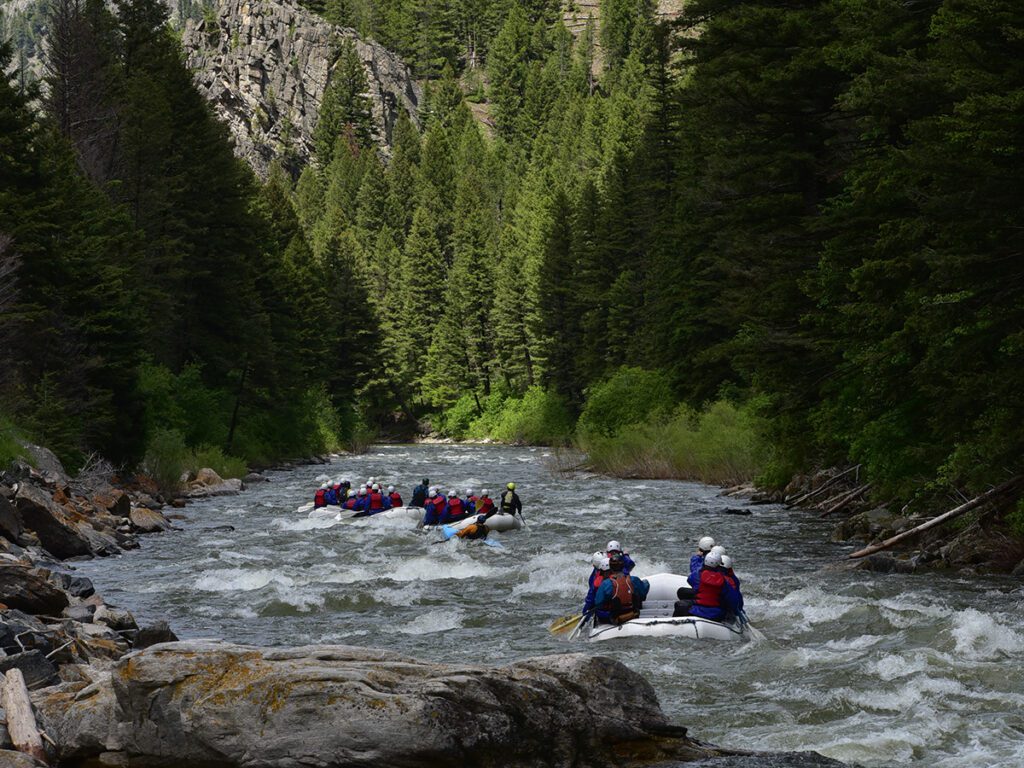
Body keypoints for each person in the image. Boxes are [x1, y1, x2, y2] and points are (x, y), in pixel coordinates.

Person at [593, 553, 649, 625]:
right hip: (633, 613)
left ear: (610, 567)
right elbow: (645, 588)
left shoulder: (605, 584)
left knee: (599, 611)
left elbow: (598, 603)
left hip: (615, 617)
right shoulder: (634, 580)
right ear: (623, 566)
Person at [688, 550, 740, 622]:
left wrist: (697, 558)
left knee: (681, 603)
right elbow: (733, 600)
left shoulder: (699, 575)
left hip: (698, 609)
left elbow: (691, 580)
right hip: (716, 613)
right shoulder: (725, 581)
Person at [582, 551, 610, 617]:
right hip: (618, 609)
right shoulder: (618, 572)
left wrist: (584, 613)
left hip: (606, 612)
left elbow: (590, 600)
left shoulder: (595, 580)